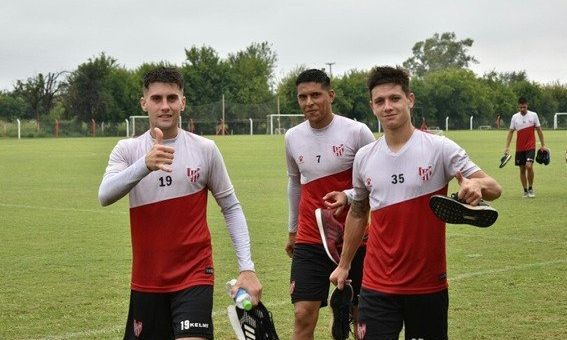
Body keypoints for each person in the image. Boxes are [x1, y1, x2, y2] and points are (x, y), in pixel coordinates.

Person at [329, 66, 502, 340]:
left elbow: (495, 188)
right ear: (372, 106)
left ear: (410, 99)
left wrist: (476, 185)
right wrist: (345, 264)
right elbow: (359, 211)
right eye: (380, 101)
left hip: (427, 286)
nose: (388, 106)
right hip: (376, 285)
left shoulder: (440, 148)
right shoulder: (364, 157)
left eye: (395, 98)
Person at [98, 66, 262, 340]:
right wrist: (145, 165)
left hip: (194, 275)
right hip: (147, 280)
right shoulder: (127, 150)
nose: (165, 106)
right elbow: (105, 194)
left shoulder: (205, 149)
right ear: (144, 103)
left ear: (182, 103)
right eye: (157, 98)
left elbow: (231, 207)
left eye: (172, 98)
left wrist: (247, 267)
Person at [284, 69, 375, 340]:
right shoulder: (292, 136)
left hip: (354, 236)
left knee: (362, 318)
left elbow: (374, 179)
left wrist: (347, 194)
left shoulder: (357, 132)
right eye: (303, 97)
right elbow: (294, 182)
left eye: (316, 95)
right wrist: (293, 230)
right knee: (303, 314)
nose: (309, 102)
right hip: (311, 237)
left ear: (331, 95)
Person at [504, 97, 547, 198]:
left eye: (524, 107)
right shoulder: (515, 117)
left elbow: (539, 130)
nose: (522, 109)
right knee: (522, 169)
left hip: (530, 146)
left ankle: (531, 188)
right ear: (518, 106)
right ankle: (525, 190)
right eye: (520, 107)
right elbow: (510, 132)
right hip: (520, 148)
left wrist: (543, 145)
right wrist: (507, 147)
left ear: (527, 105)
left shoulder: (533, 115)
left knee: (529, 166)